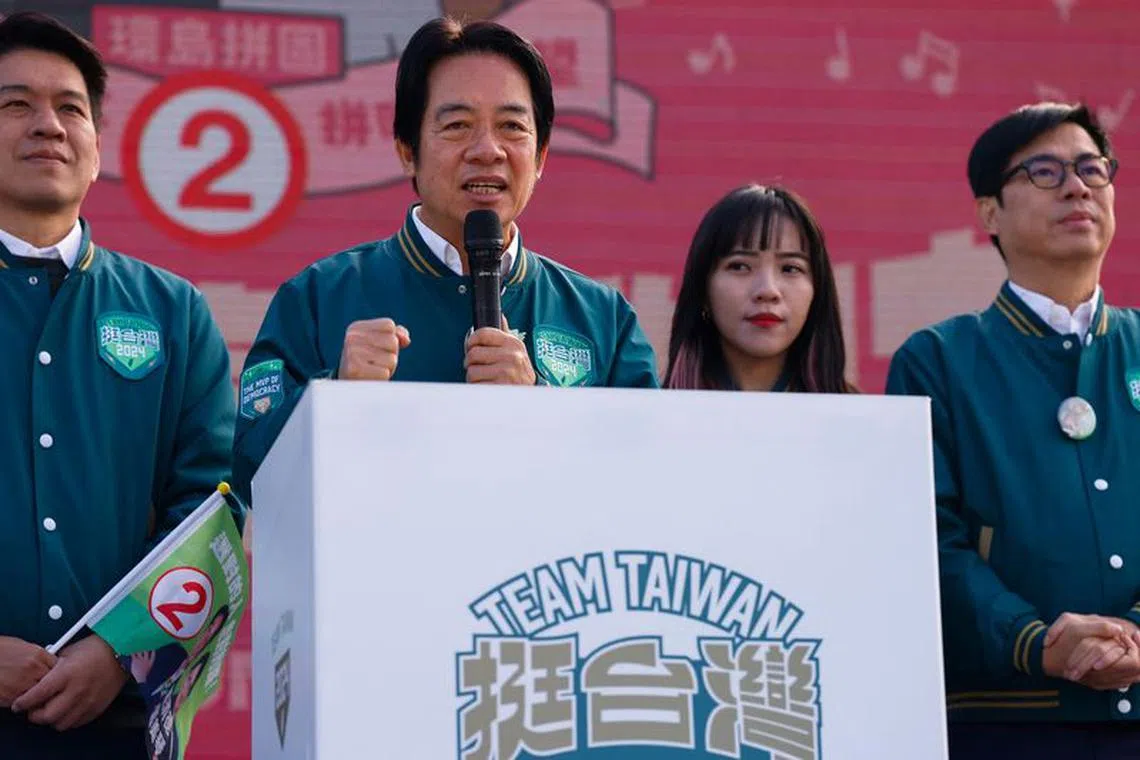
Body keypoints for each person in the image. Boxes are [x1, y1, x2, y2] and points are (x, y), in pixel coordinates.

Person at [232, 16, 658, 503]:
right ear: (407, 152)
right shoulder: (317, 298)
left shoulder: (604, 320)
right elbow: (247, 474)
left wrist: (541, 411)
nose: (488, 151)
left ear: (540, 156)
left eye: (512, 127)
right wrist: (333, 393)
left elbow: (648, 488)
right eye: (457, 126)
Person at [0, 12, 241, 759]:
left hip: (115, 727)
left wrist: (120, 649)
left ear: (97, 146)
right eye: (16, 104)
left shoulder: (172, 312)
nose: (48, 125)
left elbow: (213, 511)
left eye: (70, 109)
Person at [885, 102, 1140, 758]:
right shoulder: (938, 360)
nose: (1077, 187)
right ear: (989, 213)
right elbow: (927, 540)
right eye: (1045, 172)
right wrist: (1034, 641)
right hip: (1005, 720)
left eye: (1092, 169)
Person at [663, 183, 854, 393]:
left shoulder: (858, 413)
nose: (768, 291)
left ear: (817, 291)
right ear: (703, 287)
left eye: (790, 269)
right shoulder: (656, 409)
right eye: (740, 266)